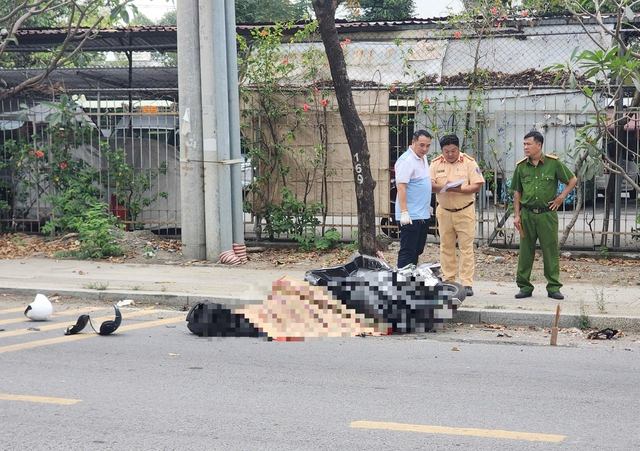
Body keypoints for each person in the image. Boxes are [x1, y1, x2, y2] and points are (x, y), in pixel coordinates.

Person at [511, 131, 577, 300]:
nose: (525, 147)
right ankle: (524, 286)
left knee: (550, 250)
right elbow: (517, 192)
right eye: (524, 144)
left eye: (528, 144)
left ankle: (553, 287)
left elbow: (572, 180)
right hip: (527, 214)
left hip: (547, 215)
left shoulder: (553, 164)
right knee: (526, 251)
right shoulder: (521, 167)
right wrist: (517, 215)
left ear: (538, 145)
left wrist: (561, 197)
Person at [429, 134, 485, 297]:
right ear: (442, 151)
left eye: (453, 150)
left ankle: (467, 283)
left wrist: (458, 189)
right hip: (445, 211)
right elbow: (430, 184)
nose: (450, 154)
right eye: (446, 151)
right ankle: (448, 280)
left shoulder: (469, 162)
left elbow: (477, 185)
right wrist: (443, 186)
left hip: (464, 211)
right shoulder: (435, 163)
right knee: (446, 247)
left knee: (466, 248)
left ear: (459, 149)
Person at [395, 130, 433, 268]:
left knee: (417, 250)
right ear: (413, 142)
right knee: (408, 250)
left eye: (428, 146)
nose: (425, 149)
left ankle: (411, 279)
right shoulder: (406, 161)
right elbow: (401, 187)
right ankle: (401, 283)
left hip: (422, 213)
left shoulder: (423, 158)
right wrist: (404, 211)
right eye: (421, 145)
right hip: (411, 215)